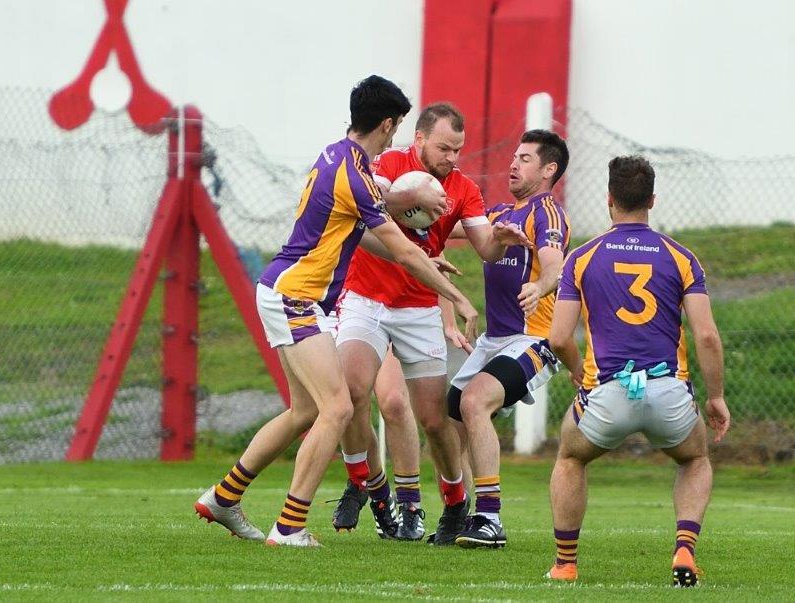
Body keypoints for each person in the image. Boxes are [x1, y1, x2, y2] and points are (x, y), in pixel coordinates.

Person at [192, 76, 477, 547]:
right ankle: (289, 526)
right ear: (387, 124)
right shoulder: (357, 175)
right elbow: (401, 251)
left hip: (286, 290)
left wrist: (425, 258)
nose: (394, 136)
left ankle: (224, 496)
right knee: (338, 406)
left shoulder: (336, 155)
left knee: (305, 409)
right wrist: (459, 296)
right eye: (396, 127)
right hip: (296, 296)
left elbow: (361, 236)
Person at [330, 102, 532, 544]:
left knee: (435, 420)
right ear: (419, 139)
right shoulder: (387, 162)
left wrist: (500, 240)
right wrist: (411, 196)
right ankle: (366, 484)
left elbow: (484, 248)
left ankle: (455, 503)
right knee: (351, 391)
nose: (452, 158)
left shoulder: (463, 189)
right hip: (365, 296)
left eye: (458, 149)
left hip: (420, 306)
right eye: (444, 147)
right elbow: (365, 199)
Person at [544, 155, 731, 584]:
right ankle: (684, 550)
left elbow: (558, 339)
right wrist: (716, 396)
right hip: (668, 391)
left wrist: (577, 371)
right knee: (696, 458)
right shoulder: (681, 257)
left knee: (571, 457)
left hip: (608, 392)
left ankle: (566, 564)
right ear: (652, 200)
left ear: (609, 200)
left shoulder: (582, 258)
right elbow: (706, 336)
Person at [445, 130, 572, 549]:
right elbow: (448, 229)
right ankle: (461, 512)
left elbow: (556, 265)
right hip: (494, 340)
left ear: (549, 169)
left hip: (533, 339)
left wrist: (542, 285)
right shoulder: (500, 212)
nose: (513, 164)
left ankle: (490, 518)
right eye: (514, 156)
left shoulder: (547, 213)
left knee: (474, 401)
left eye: (525, 158)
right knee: (449, 417)